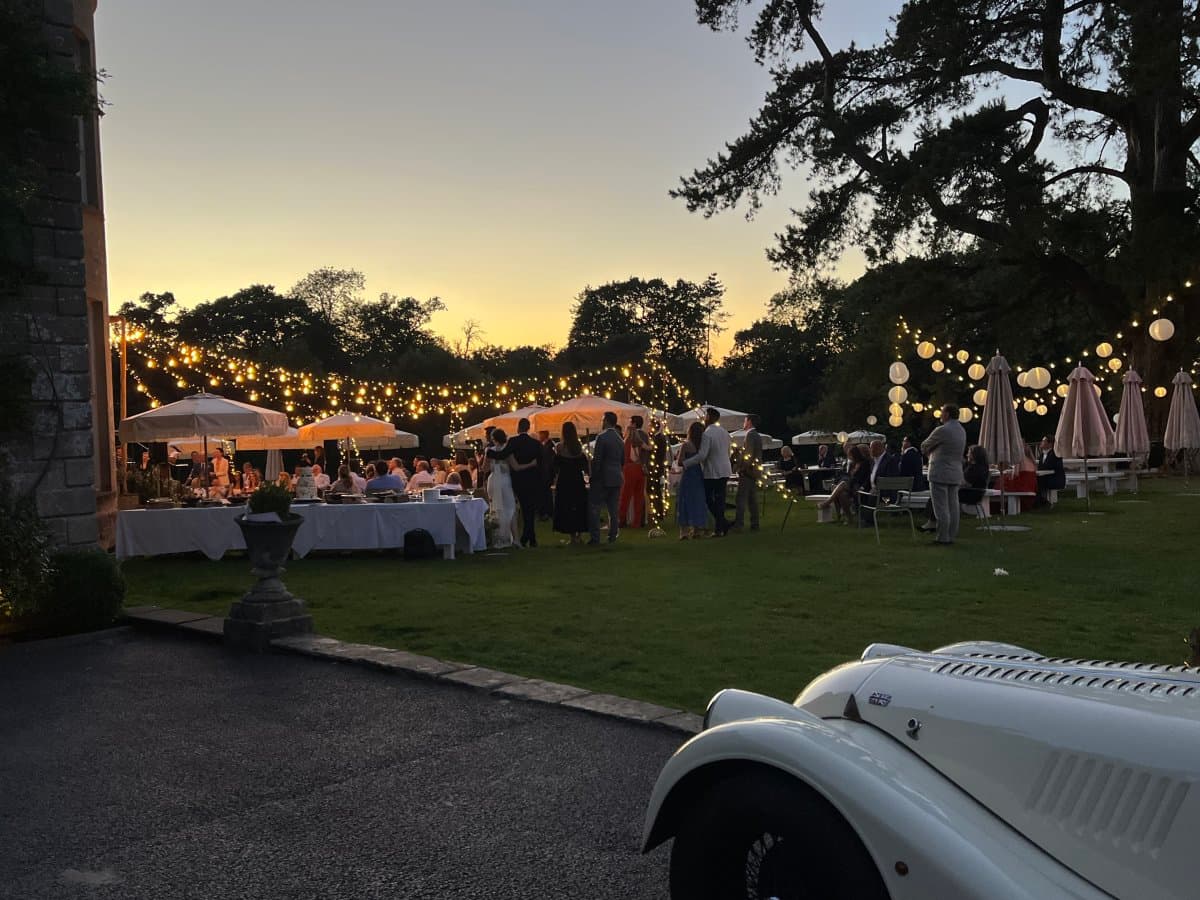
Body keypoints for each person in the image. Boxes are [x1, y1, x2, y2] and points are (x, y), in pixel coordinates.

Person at [488, 418, 543, 547]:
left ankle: (527, 537)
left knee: (524, 508)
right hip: (533, 479)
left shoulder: (514, 441)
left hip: (519, 479)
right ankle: (530, 538)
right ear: (528, 428)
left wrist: (490, 453)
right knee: (529, 508)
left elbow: (503, 454)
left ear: (519, 428)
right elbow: (541, 462)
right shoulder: (536, 443)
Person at [681, 407, 734, 537]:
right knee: (720, 499)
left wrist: (686, 463)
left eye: (705, 416)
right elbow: (728, 451)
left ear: (708, 418)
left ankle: (720, 525)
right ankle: (722, 525)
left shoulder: (707, 434)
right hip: (725, 469)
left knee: (708, 499)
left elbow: (702, 455)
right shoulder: (724, 432)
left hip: (712, 471)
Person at [921, 403, 969, 545]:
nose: (941, 415)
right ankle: (951, 535)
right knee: (953, 506)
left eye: (942, 412)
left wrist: (932, 449)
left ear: (947, 414)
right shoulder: (962, 430)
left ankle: (942, 537)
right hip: (955, 472)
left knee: (941, 507)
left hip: (940, 471)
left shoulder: (942, 430)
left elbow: (924, 446)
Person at [588, 411, 625, 544]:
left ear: (607, 421)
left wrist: (593, 475)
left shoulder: (601, 437)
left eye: (602, 420)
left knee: (595, 507)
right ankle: (613, 535)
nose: (601, 422)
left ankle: (595, 537)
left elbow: (598, 459)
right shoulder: (620, 439)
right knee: (613, 509)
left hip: (603, 477)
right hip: (616, 476)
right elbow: (622, 460)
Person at [552, 421, 589, 544]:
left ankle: (572, 536)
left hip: (564, 480)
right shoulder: (578, 447)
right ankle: (579, 534)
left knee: (567, 507)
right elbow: (584, 465)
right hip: (577, 480)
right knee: (578, 506)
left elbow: (555, 466)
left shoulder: (560, 448)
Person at [486, 428, 521, 548]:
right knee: (511, 508)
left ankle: (497, 537)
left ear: (493, 439)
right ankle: (515, 539)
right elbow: (516, 467)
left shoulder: (489, 451)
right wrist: (531, 464)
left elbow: (484, 469)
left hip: (493, 480)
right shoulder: (508, 452)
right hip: (505, 481)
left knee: (495, 508)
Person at [819, 444, 870, 523]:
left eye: (850, 455)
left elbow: (861, 478)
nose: (849, 457)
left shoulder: (865, 463)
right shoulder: (853, 464)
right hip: (851, 486)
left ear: (855, 455)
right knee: (841, 493)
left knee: (842, 483)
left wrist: (850, 482)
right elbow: (847, 475)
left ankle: (827, 502)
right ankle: (847, 517)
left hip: (858, 486)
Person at [675, 421, 709, 539]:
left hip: (688, 474)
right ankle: (697, 529)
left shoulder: (686, 445)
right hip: (698, 474)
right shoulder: (701, 446)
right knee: (697, 500)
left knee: (685, 500)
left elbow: (680, 462)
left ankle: (684, 531)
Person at [618, 416, 651, 528]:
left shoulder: (627, 441)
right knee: (639, 496)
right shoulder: (640, 440)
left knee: (625, 496)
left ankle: (621, 519)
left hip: (629, 468)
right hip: (640, 468)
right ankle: (636, 522)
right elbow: (649, 448)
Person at [733, 414, 763, 531]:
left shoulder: (750, 435)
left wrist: (742, 468)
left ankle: (739, 524)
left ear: (749, 421)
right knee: (752, 499)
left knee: (741, 499)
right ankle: (755, 523)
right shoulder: (756, 435)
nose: (743, 423)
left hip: (748, 471)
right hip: (754, 471)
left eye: (745, 421)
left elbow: (749, 455)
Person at [1003, 444, 1039, 511]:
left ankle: (999, 504)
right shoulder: (1032, 461)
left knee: (1001, 482)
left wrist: (1008, 474)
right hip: (1031, 487)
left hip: (1022, 487)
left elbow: (1015, 475)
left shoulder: (1019, 460)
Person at [1036, 435, 1065, 504]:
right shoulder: (1042, 455)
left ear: (1050, 444)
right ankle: (1040, 501)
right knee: (1035, 481)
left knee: (1037, 482)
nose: (1041, 442)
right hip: (1046, 478)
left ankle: (1041, 501)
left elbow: (1052, 468)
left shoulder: (1055, 454)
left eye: (1043, 441)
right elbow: (1041, 468)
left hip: (1055, 479)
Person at [537, 430, 556, 520]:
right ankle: (544, 512)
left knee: (546, 493)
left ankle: (547, 512)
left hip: (547, 473)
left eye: (540, 434)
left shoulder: (550, 445)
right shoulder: (542, 444)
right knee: (543, 493)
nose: (539, 436)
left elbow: (550, 460)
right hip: (543, 472)